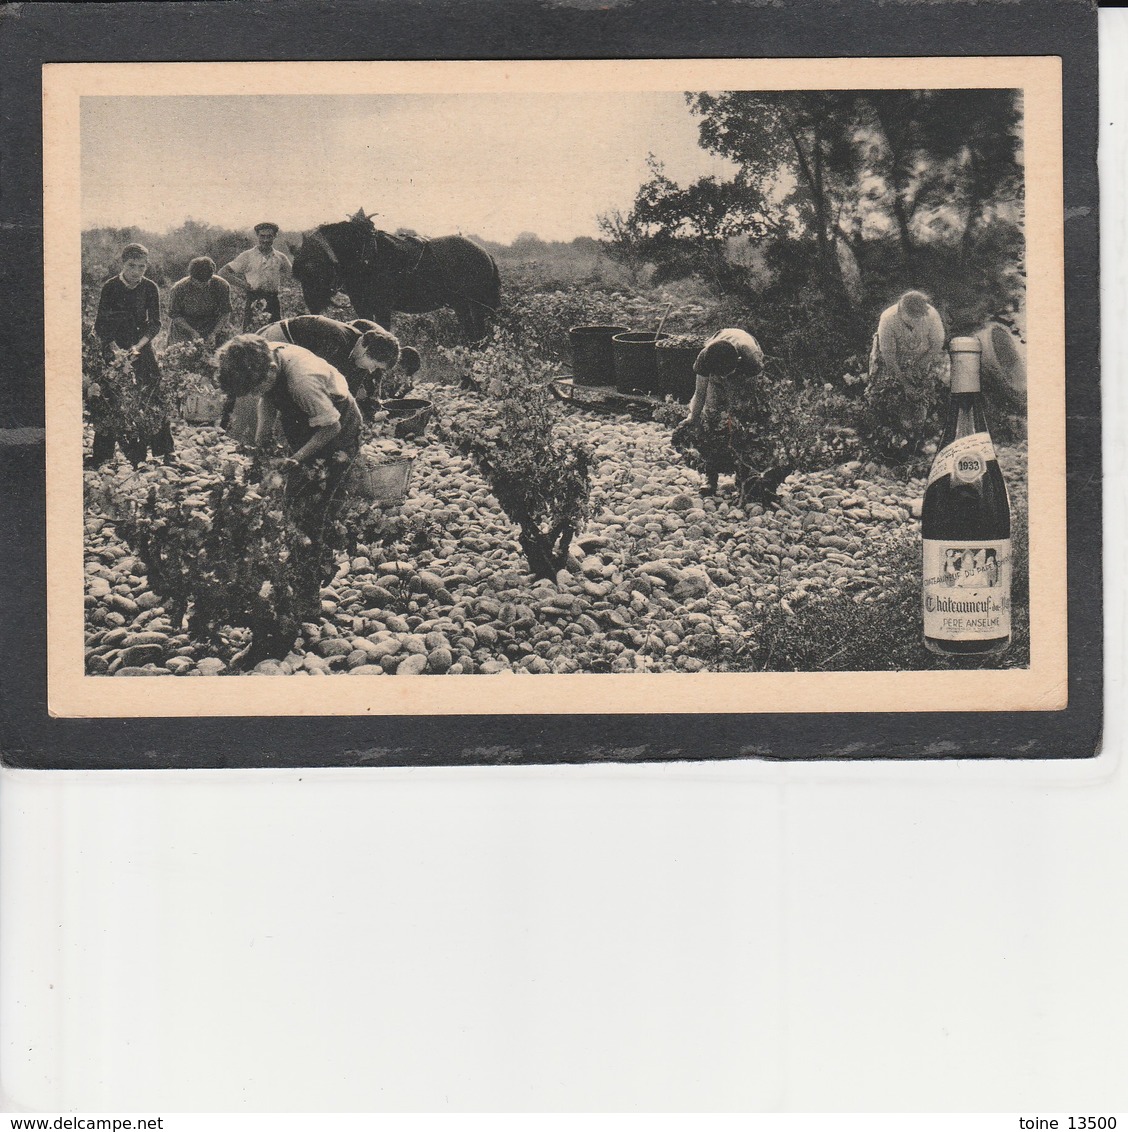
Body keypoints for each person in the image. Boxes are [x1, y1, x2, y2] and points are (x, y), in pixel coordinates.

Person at [215, 334, 363, 471]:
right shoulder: (263, 356)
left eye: (254, 390)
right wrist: (261, 437)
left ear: (271, 371)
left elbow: (332, 427)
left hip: (338, 416)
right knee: (298, 470)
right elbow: (267, 396)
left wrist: (295, 459)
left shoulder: (302, 382)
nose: (254, 395)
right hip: (304, 409)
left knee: (327, 471)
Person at [89, 243, 175, 468]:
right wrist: (115, 351)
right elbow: (101, 324)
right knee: (109, 397)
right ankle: (103, 455)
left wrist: (138, 347)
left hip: (141, 346)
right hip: (114, 347)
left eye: (142, 267)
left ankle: (164, 451)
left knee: (153, 394)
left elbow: (155, 324)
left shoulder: (149, 288)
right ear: (123, 264)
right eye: (132, 266)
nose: (137, 271)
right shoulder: (111, 287)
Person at [673, 327, 767, 497]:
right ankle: (711, 477)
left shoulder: (751, 360)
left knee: (743, 423)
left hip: (743, 375)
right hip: (720, 367)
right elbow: (700, 393)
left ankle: (744, 476)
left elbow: (750, 399)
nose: (724, 379)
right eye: (719, 375)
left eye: (726, 375)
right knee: (711, 419)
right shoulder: (705, 358)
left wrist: (737, 417)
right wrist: (693, 417)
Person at [255, 314, 402, 416]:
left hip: (296, 353)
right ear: (365, 348)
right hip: (274, 340)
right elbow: (313, 381)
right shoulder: (336, 340)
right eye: (375, 366)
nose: (371, 371)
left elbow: (348, 396)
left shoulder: (361, 360)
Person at [219, 222, 292, 331]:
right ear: (257, 236)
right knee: (251, 334)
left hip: (273, 301)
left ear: (275, 236)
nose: (266, 240)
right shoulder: (247, 256)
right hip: (254, 299)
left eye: (269, 236)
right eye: (262, 236)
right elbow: (223, 272)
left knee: (274, 335)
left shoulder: (280, 257)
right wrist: (244, 285)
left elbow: (293, 274)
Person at [166, 257, 232, 347]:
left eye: (205, 283)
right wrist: (192, 331)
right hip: (184, 328)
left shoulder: (222, 285)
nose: (201, 286)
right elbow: (175, 315)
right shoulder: (179, 288)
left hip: (212, 325)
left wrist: (214, 333)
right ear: (191, 277)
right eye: (197, 282)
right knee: (183, 355)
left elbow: (225, 312)